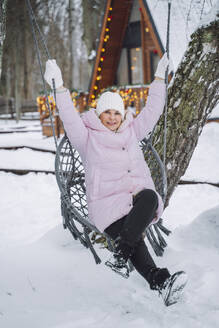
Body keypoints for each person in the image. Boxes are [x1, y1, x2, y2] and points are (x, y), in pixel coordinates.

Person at [44, 53, 187, 306]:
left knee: (149, 199)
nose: (112, 117)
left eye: (116, 112)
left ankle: (149, 275)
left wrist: (159, 79)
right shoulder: (87, 138)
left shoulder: (133, 131)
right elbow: (68, 115)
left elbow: (153, 110)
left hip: (135, 203)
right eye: (106, 112)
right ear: (98, 115)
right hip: (107, 208)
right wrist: (59, 87)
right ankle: (150, 274)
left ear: (123, 115)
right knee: (129, 233)